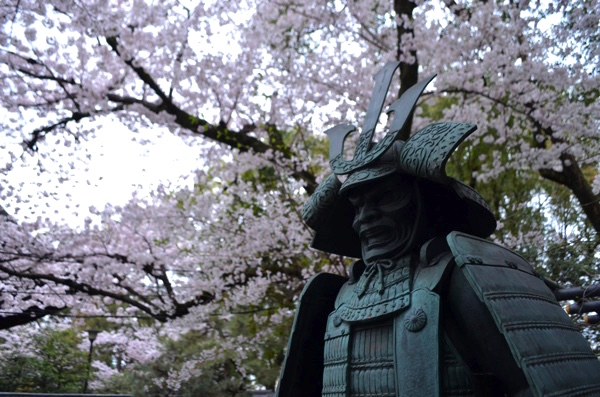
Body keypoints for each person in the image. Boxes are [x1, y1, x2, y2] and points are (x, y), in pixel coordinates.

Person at [275, 64, 600, 397]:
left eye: (384, 198)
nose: (364, 219)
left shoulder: (456, 278)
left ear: (423, 203)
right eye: (357, 207)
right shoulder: (333, 298)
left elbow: (533, 387)